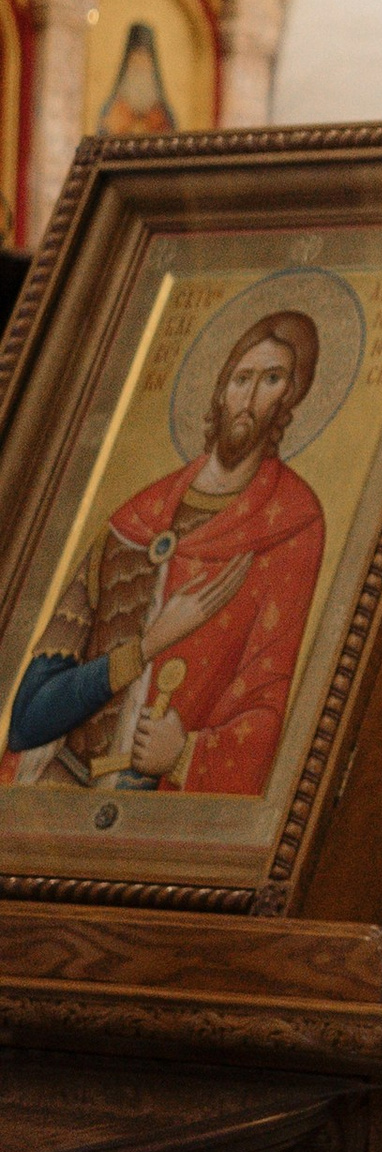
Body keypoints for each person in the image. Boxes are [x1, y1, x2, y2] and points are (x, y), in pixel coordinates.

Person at [6, 309, 325, 795]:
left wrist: (184, 755)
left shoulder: (291, 523)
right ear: (220, 391)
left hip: (151, 816)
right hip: (50, 791)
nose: (249, 398)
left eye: (272, 379)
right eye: (241, 378)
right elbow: (27, 720)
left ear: (289, 399)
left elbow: (268, 701)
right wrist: (146, 647)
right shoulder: (134, 520)